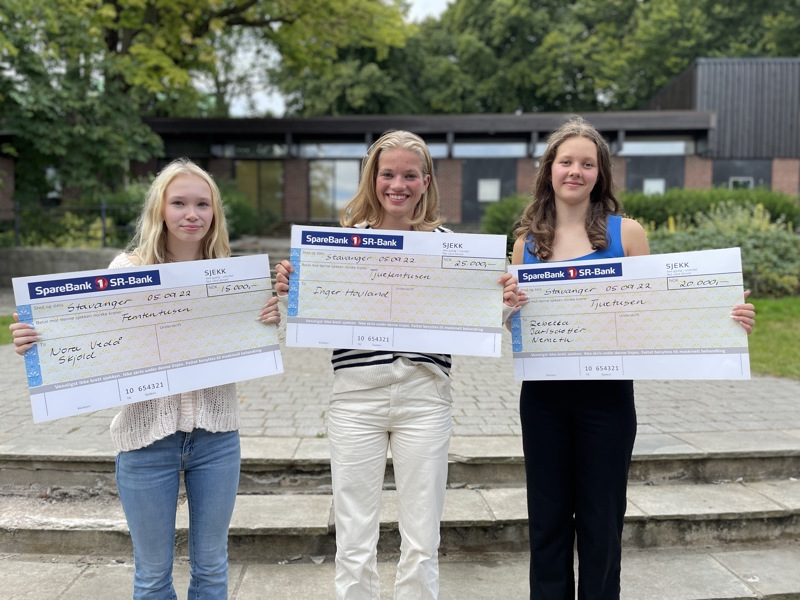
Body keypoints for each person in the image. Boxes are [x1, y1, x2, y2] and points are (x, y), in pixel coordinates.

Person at [9, 158, 281, 599]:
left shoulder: (231, 273)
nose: (191, 214)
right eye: (179, 203)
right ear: (160, 210)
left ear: (215, 213)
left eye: (202, 204)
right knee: (152, 575)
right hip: (145, 440)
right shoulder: (127, 268)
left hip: (216, 439)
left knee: (211, 568)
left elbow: (245, 347)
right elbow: (88, 335)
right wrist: (36, 339)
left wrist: (265, 321)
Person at [510, 116, 756, 599]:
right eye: (566, 162)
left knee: (602, 523)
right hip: (542, 400)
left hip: (607, 400)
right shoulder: (525, 244)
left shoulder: (628, 235)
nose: (575, 172)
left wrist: (723, 313)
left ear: (600, 173)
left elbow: (661, 308)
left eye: (587, 163)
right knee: (547, 520)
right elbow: (516, 320)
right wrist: (504, 311)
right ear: (550, 170)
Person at [274, 130, 519, 599]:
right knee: (353, 535)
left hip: (425, 398)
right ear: (373, 178)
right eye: (388, 174)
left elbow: (492, 317)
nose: (398, 184)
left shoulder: (454, 250)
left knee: (423, 536)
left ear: (426, 181)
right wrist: (291, 285)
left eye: (410, 175)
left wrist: (505, 301)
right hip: (355, 397)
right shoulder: (341, 245)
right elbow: (305, 309)